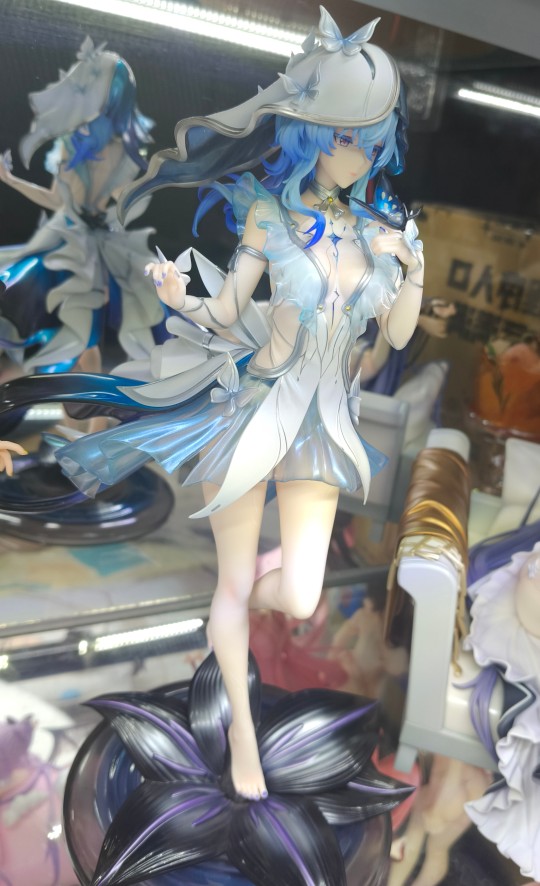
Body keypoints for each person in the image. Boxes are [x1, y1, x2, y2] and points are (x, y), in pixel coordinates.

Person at [1, 9, 424, 801]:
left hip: (323, 427)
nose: (358, 154)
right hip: (253, 412)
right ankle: (241, 740)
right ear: (310, 131)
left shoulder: (376, 232)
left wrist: (414, 270)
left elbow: (394, 336)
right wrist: (178, 296)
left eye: (370, 138)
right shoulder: (270, 214)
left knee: (299, 596)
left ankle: (239, 615)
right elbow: (229, 312)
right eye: (344, 136)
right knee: (229, 593)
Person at [0, 37, 165, 375]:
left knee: (84, 340)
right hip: (65, 239)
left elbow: (123, 199)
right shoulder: (73, 141)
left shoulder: (121, 149)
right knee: (48, 322)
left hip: (93, 249)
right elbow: (57, 199)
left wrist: (134, 189)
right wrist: (11, 180)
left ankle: (90, 406)